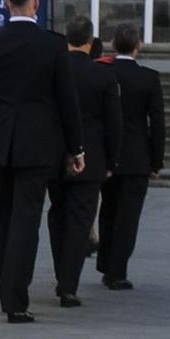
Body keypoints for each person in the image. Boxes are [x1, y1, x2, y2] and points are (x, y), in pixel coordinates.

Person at [0, 0, 84, 323]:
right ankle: (15, 298)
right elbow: (67, 102)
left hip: (0, 141)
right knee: (26, 218)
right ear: (36, 4)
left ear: (6, 4)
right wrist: (76, 148)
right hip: (37, 143)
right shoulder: (52, 46)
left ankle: (4, 283)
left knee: (5, 212)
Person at [48, 15, 120, 309]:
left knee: (58, 215)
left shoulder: (52, 72)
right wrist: (111, 160)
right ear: (91, 43)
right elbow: (113, 125)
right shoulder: (103, 76)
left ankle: (61, 273)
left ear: (67, 40)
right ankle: (68, 284)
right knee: (80, 221)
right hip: (91, 159)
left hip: (55, 155)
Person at [99, 23, 165, 291]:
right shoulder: (149, 78)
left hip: (106, 154)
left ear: (113, 45)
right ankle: (117, 271)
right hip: (137, 156)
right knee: (128, 215)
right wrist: (156, 160)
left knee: (108, 209)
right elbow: (157, 122)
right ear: (139, 45)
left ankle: (105, 262)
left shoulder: (103, 72)